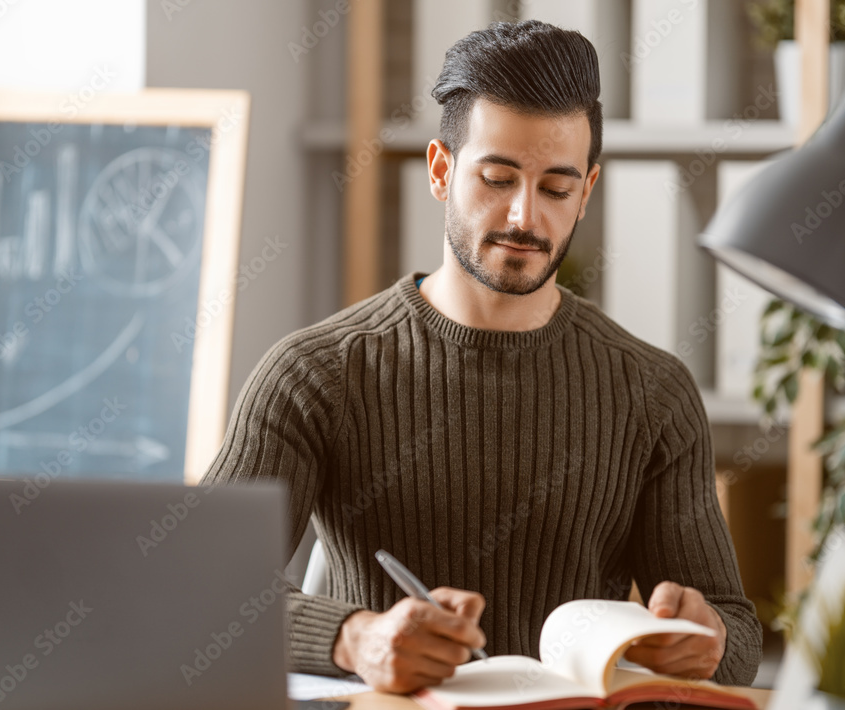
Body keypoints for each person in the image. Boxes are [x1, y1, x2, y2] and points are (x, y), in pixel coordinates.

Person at [202, 19, 762, 695]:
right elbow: (197, 591)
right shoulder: (315, 375)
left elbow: (735, 633)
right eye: (497, 178)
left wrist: (705, 642)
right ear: (442, 171)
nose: (525, 216)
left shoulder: (652, 392)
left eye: (557, 189)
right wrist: (356, 639)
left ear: (586, 191)